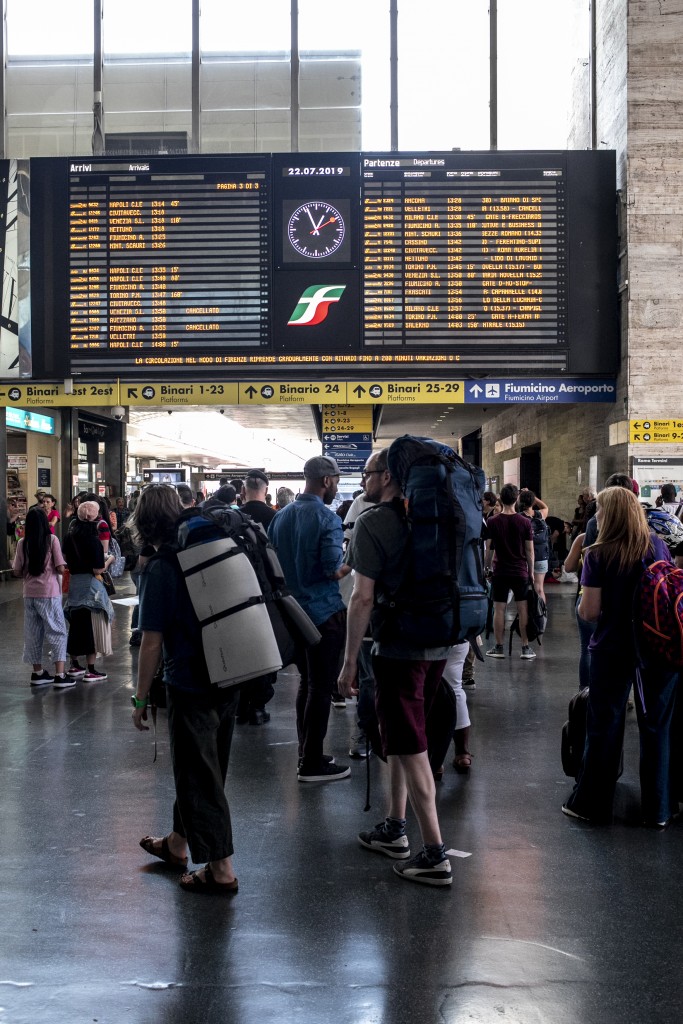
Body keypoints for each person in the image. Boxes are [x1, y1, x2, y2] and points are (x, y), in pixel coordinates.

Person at [338, 448, 452, 886]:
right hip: (438, 640)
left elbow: (362, 597)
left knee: (410, 745)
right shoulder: (442, 518)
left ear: (387, 476)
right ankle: (394, 825)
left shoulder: (373, 521)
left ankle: (435, 854)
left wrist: (349, 662)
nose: (364, 480)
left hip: (398, 647)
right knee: (405, 737)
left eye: (368, 473)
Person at [131, 484, 240, 896]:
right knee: (206, 769)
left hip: (190, 681)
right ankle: (178, 844)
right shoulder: (204, 551)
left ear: (142, 523)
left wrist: (141, 698)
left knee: (199, 774)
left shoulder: (161, 567)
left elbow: (152, 641)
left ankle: (221, 869)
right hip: (231, 671)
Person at [563, 486, 678, 828]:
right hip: (658, 648)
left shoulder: (598, 554)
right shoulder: (657, 546)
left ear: (608, 514)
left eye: (599, 510)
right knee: (656, 727)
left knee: (605, 725)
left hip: (613, 648)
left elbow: (590, 611)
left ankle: (592, 805)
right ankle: (658, 810)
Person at [268, 455, 351, 782]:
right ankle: (313, 763)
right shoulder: (327, 519)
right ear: (327, 480)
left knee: (307, 682)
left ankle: (307, 752)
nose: (336, 487)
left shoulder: (281, 518)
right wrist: (354, 561)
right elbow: (333, 571)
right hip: (324, 614)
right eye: (337, 481)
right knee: (321, 686)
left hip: (293, 614)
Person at [235, 470, 277, 725]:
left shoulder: (233, 518)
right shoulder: (276, 517)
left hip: (237, 592)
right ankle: (259, 705)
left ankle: (240, 703)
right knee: (265, 648)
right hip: (268, 592)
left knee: (240, 647)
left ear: (243, 492)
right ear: (266, 490)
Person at [12, 506, 70, 688]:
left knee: (33, 633)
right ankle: (60, 675)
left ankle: (38, 673)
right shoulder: (51, 540)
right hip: (49, 593)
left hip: (29, 594)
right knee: (57, 632)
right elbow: (61, 567)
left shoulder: (23, 542)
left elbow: (16, 571)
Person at [62, 501, 113, 681]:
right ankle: (91, 669)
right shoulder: (94, 540)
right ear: (95, 519)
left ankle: (74, 665)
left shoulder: (69, 537)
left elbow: (66, 559)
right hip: (91, 588)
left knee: (75, 625)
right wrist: (110, 560)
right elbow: (99, 569)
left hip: (75, 585)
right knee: (91, 627)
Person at [484, 483, 535, 660]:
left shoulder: (492, 521)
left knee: (499, 609)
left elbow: (489, 549)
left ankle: (499, 647)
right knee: (523, 609)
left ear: (501, 499)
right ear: (516, 499)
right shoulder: (525, 522)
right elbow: (529, 551)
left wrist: (486, 567)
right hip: (520, 570)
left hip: (500, 571)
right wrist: (532, 571)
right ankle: (525, 648)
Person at [517, 489, 550, 603]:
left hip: (524, 556)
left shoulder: (519, 518)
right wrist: (533, 497)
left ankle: (525, 615)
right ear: (532, 503)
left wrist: (521, 496)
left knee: (523, 589)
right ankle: (541, 614)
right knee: (540, 588)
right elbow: (545, 507)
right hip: (541, 555)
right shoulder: (540, 515)